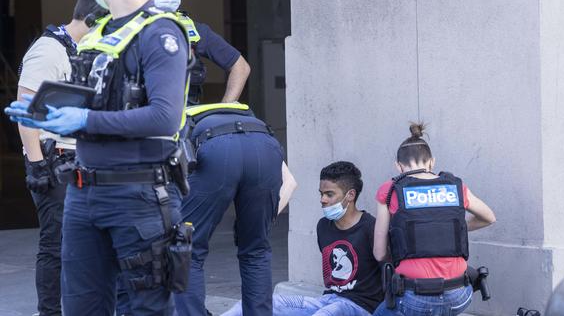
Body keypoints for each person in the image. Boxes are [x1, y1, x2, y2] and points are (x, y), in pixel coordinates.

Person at [5, 0, 192, 314]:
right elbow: (97, 101)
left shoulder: (160, 32)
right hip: (82, 192)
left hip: (137, 194)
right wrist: (48, 113)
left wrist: (83, 121)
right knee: (82, 307)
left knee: (146, 307)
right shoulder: (98, 35)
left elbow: (165, 118)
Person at [15, 0, 104, 316]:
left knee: (86, 245)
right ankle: (49, 312)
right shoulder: (48, 51)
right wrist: (37, 166)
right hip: (53, 163)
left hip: (80, 159)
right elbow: (26, 112)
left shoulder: (83, 52)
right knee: (55, 246)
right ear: (93, 19)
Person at [169, 102, 295, 316]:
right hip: (265, 147)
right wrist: (259, 222)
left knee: (187, 251)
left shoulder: (171, 120)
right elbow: (290, 183)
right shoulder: (247, 119)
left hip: (214, 149)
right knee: (256, 250)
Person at [223, 161, 383, 316]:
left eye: (329, 194)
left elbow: (387, 272)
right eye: (321, 194)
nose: (323, 200)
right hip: (328, 300)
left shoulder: (371, 228)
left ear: (350, 195)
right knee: (264, 302)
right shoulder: (323, 226)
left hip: (360, 307)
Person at [372, 123, 496, 316]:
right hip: (459, 295)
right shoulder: (454, 186)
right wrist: (455, 228)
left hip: (414, 298)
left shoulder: (389, 190)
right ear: (432, 162)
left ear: (398, 166)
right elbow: (489, 217)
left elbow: (379, 254)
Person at [148, 0, 250, 105]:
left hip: (187, 121)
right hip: (145, 120)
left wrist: (224, 109)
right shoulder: (134, 26)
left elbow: (241, 67)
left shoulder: (194, 30)